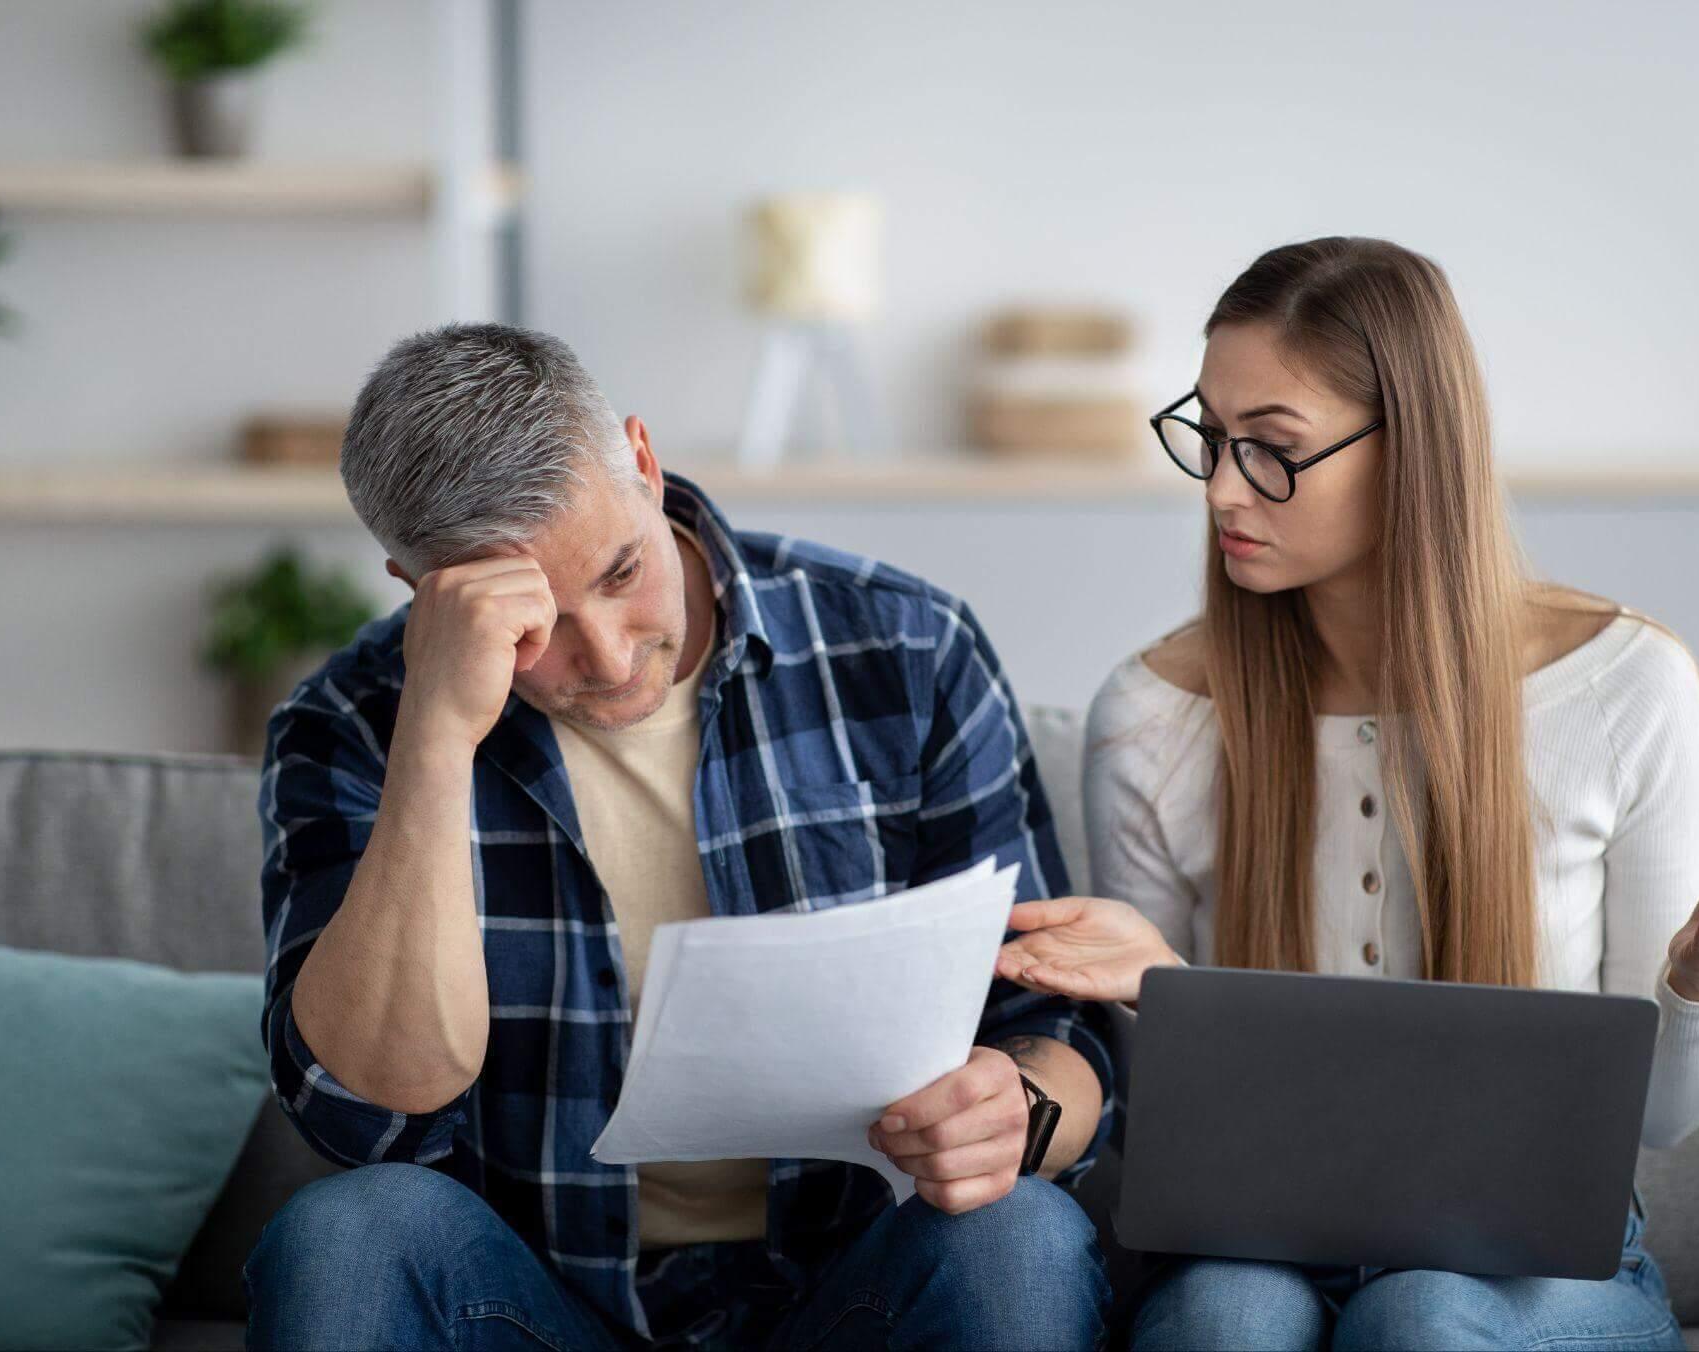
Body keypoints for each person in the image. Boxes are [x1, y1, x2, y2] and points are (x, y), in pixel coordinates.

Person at [994, 237, 1699, 1351]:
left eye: (1268, 447)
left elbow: (1664, 1117)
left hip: (1530, 1263)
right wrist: (1150, 995)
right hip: (1253, 1240)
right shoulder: (1155, 713)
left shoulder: (1623, 685)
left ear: (1410, 448)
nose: (1217, 487)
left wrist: (1697, 983)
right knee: (1221, 1318)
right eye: (1207, 437)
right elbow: (1159, 1142)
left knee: (1423, 1316)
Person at [248, 323, 1114, 1350]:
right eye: (533, 628)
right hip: (538, 1304)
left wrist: (1017, 1110)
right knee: (345, 1235)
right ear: (417, 586)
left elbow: (1057, 1025)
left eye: (620, 573)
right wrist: (436, 732)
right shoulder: (347, 723)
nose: (607, 656)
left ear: (645, 462)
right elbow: (369, 1118)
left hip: (847, 1288)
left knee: (1018, 1231)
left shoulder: (906, 649)